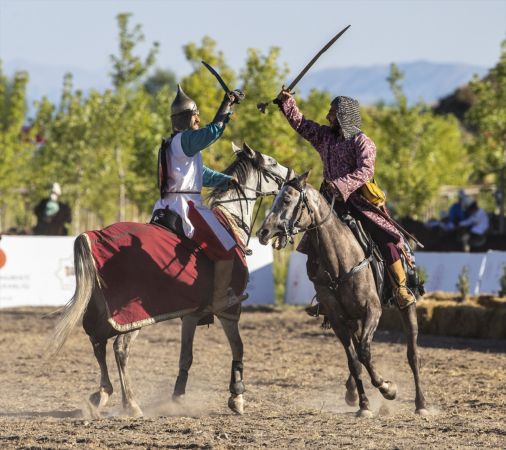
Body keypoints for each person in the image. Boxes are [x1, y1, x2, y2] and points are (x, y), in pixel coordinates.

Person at [276, 89, 416, 310]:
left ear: (344, 115)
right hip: (330, 203)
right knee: (313, 245)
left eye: (332, 112)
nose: (327, 116)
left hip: (360, 202)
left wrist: (340, 184)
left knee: (387, 239)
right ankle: (324, 296)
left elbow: (365, 172)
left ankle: (400, 290)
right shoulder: (325, 138)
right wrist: (287, 102)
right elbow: (302, 124)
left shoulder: (363, 142)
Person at [151, 84, 246, 313]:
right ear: (187, 118)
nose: (198, 119)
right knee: (228, 249)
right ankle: (220, 299)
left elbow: (201, 175)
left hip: (171, 203)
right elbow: (214, 131)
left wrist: (227, 180)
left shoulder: (179, 145)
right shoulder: (185, 140)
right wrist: (227, 104)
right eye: (196, 115)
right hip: (187, 207)